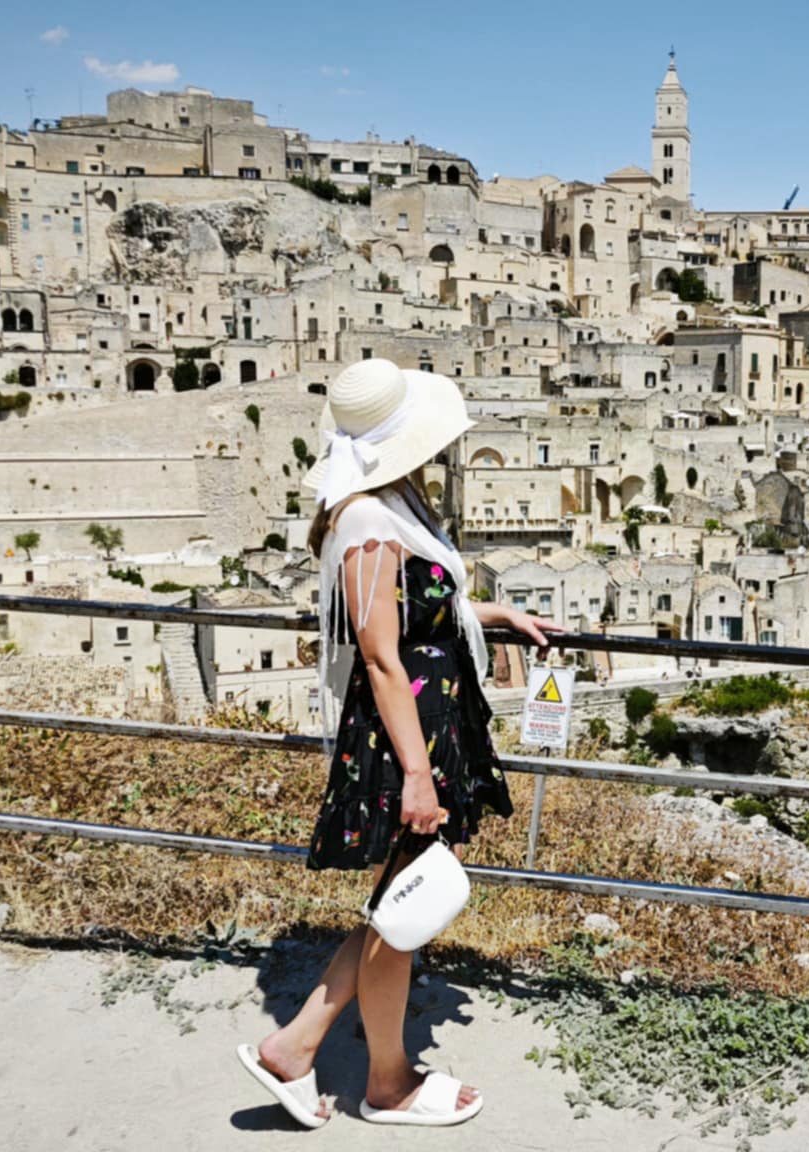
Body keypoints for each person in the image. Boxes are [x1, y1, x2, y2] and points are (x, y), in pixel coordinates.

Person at [237, 359, 557, 1129]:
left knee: (399, 902)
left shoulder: (393, 504)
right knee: (400, 911)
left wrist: (496, 616)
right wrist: (417, 774)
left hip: (430, 720)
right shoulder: (366, 524)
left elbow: (419, 610)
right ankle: (386, 1085)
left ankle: (294, 1046)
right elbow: (381, 655)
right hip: (404, 733)